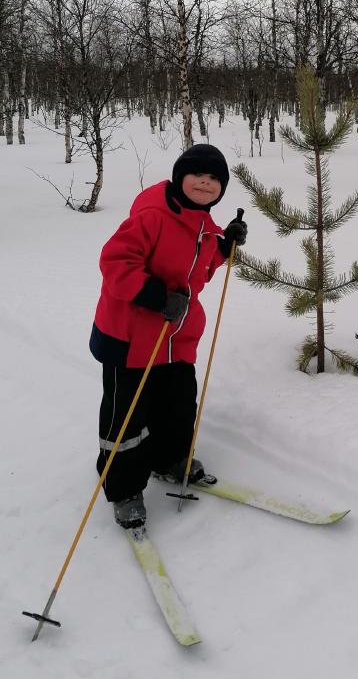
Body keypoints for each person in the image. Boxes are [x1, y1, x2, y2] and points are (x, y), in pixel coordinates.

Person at [89, 143, 248, 530]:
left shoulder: (203, 226)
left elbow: (198, 271)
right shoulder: (152, 216)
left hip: (176, 339)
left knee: (177, 405)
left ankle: (169, 459)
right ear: (180, 178)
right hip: (131, 338)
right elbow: (115, 261)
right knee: (126, 419)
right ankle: (124, 488)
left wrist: (223, 246)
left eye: (214, 179)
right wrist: (156, 296)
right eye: (197, 175)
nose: (205, 183)